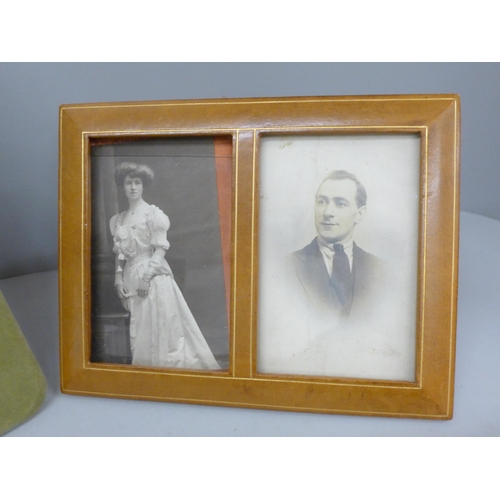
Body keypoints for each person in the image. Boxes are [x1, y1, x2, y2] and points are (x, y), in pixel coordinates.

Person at [109, 162, 221, 370]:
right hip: (129, 276)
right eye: (128, 183)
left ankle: (165, 371)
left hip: (153, 276)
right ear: (122, 186)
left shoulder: (153, 215)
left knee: (160, 325)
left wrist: (146, 278)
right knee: (140, 328)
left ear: (143, 186)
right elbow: (120, 252)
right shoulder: (117, 220)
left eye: (137, 183)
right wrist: (117, 278)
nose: (133, 187)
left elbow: (160, 249)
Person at [286, 169, 385, 327]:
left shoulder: (381, 270)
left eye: (340, 204)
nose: (327, 212)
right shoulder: (286, 267)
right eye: (322, 202)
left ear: (360, 214)